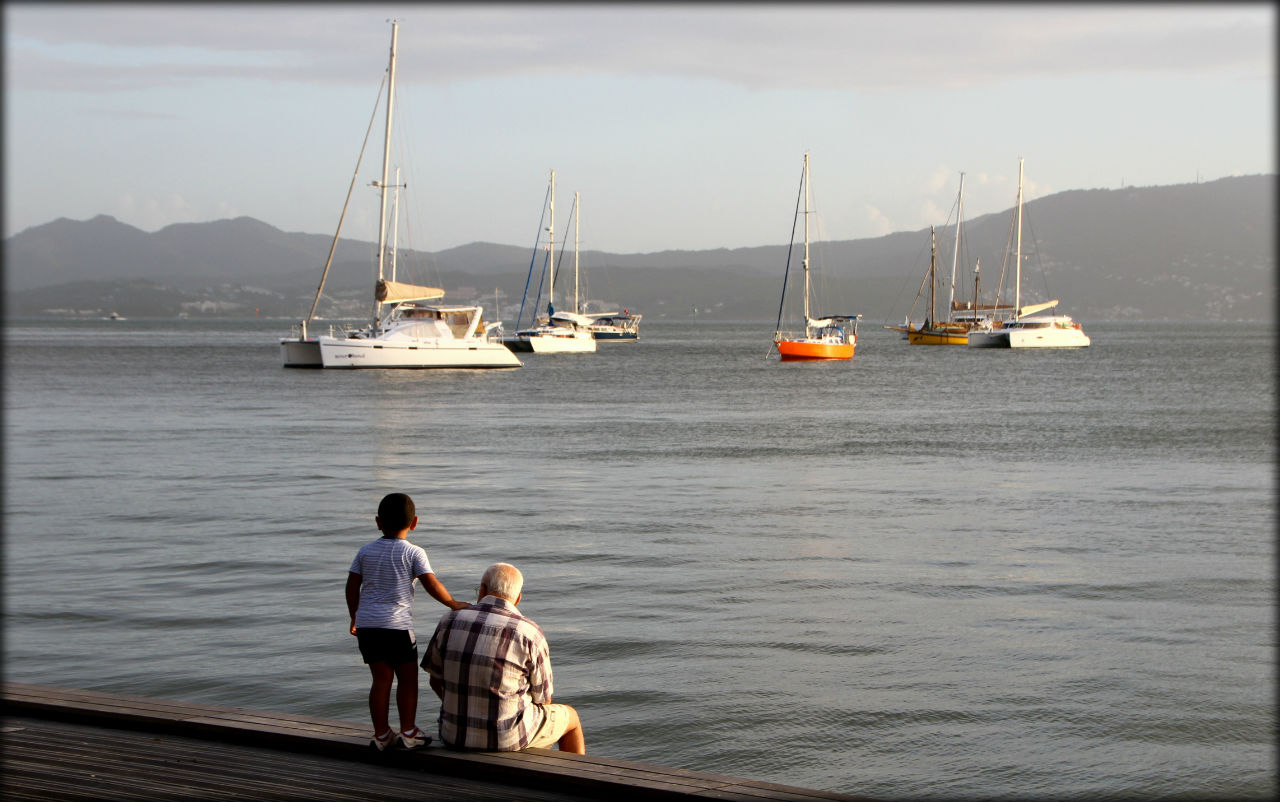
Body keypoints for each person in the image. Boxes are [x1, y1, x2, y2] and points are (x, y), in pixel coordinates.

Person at [345, 492, 467, 751]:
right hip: (397, 627)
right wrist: (453, 604)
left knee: (380, 680)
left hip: (368, 625)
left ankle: (381, 735)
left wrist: (354, 615)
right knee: (408, 679)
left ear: (378, 522)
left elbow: (352, 585)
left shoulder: (364, 552)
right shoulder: (414, 552)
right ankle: (409, 731)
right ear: (414, 523)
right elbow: (431, 584)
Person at [422, 562, 585, 754]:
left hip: (452, 735)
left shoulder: (449, 620)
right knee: (571, 718)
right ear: (517, 599)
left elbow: (434, 680)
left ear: (482, 590)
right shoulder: (529, 633)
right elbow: (544, 700)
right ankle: (575, 779)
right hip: (507, 739)